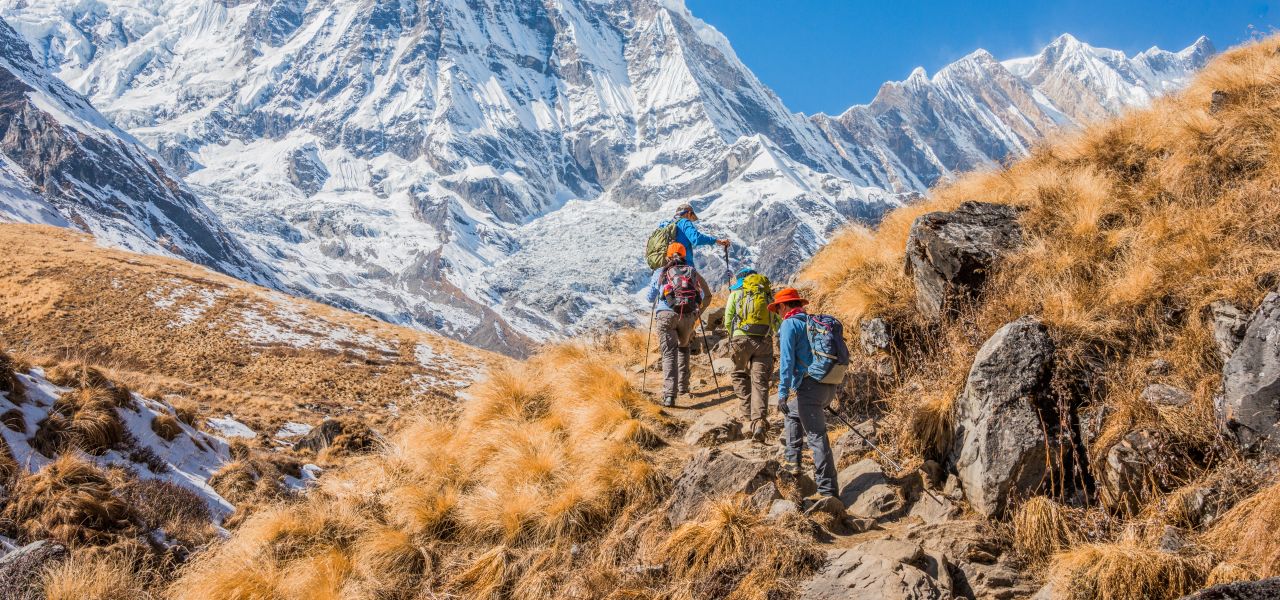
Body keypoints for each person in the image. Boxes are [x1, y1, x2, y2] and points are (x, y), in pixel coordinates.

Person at [772, 287, 839, 499]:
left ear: (784, 306)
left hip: (810, 388)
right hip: (828, 385)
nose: (778, 314)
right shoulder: (811, 322)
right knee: (792, 412)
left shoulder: (789, 324)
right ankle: (793, 462)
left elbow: (787, 361)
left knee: (817, 437)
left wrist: (782, 392)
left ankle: (827, 491)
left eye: (777, 310)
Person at [646, 242, 712, 407]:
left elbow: (649, 297)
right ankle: (683, 387)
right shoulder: (691, 271)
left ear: (668, 256)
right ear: (684, 255)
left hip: (666, 315)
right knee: (683, 347)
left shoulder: (660, 272)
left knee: (669, 354)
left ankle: (669, 396)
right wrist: (696, 312)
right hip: (688, 314)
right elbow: (703, 295)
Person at [723, 268, 780, 443]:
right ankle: (759, 422)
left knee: (739, 374)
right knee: (760, 381)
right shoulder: (768, 294)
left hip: (741, 340)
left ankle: (748, 414)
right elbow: (777, 321)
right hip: (763, 340)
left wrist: (734, 336)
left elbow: (727, 320)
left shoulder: (735, 294)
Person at [658, 203, 731, 270]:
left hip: (667, 268)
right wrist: (716, 241)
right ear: (689, 213)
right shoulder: (684, 222)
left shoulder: (668, 226)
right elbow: (696, 239)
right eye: (691, 216)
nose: (691, 219)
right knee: (699, 283)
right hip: (683, 266)